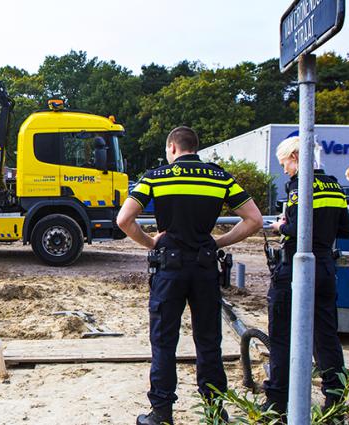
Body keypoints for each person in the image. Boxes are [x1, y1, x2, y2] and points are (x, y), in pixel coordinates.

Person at [116, 126, 262, 425]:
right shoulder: (219, 176)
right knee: (209, 341)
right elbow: (255, 219)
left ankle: (161, 413)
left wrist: (151, 241)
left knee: (164, 340)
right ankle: (213, 411)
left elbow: (124, 219)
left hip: (169, 268)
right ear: (196, 147)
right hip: (205, 267)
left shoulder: (156, 176)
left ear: (172, 148)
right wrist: (217, 241)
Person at [263, 136, 349, 415]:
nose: (285, 170)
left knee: (281, 335)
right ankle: (334, 399)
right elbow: (345, 229)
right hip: (325, 267)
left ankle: (277, 403)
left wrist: (280, 226)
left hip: (294, 270)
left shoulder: (299, 186)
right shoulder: (335, 185)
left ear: (296, 157)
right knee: (325, 336)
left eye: (285, 163)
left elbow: (300, 229)